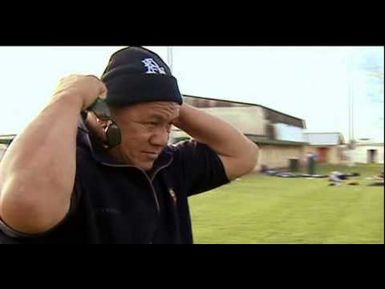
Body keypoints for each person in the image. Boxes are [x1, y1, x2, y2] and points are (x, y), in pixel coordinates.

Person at [0, 46, 258, 244]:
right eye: (150, 123)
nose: (161, 138)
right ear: (103, 117)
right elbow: (27, 208)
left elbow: (243, 154)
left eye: (169, 126)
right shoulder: (63, 161)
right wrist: (69, 96)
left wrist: (170, 105)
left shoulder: (168, 163)